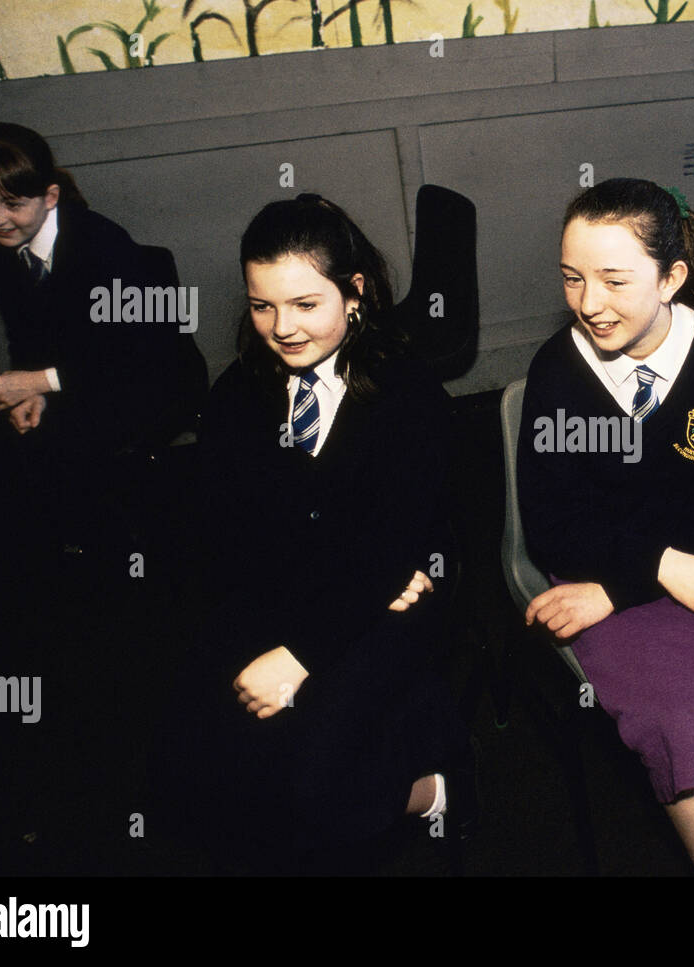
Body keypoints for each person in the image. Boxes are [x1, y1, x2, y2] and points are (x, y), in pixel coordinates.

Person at [517, 178, 694, 876]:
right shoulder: (556, 373)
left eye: (615, 280)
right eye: (572, 278)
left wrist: (634, 581)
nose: (590, 303)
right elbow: (552, 527)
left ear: (672, 276)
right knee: (678, 719)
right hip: (598, 560)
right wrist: (647, 572)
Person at [0, 123, 206, 873]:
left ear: (50, 195)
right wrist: (29, 385)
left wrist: (42, 385)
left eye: (15, 204)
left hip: (145, 394)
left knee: (25, 489)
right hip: (73, 386)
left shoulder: (103, 245)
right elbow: (34, 332)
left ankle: (44, 634)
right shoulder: (6, 246)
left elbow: (147, 357)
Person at [182, 194, 471, 873]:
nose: (281, 327)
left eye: (306, 304)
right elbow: (221, 537)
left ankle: (436, 792)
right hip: (294, 588)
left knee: (314, 787)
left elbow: (395, 541)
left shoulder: (407, 391)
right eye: (262, 305)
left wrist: (300, 655)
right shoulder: (237, 393)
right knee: (203, 767)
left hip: (402, 597)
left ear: (355, 292)